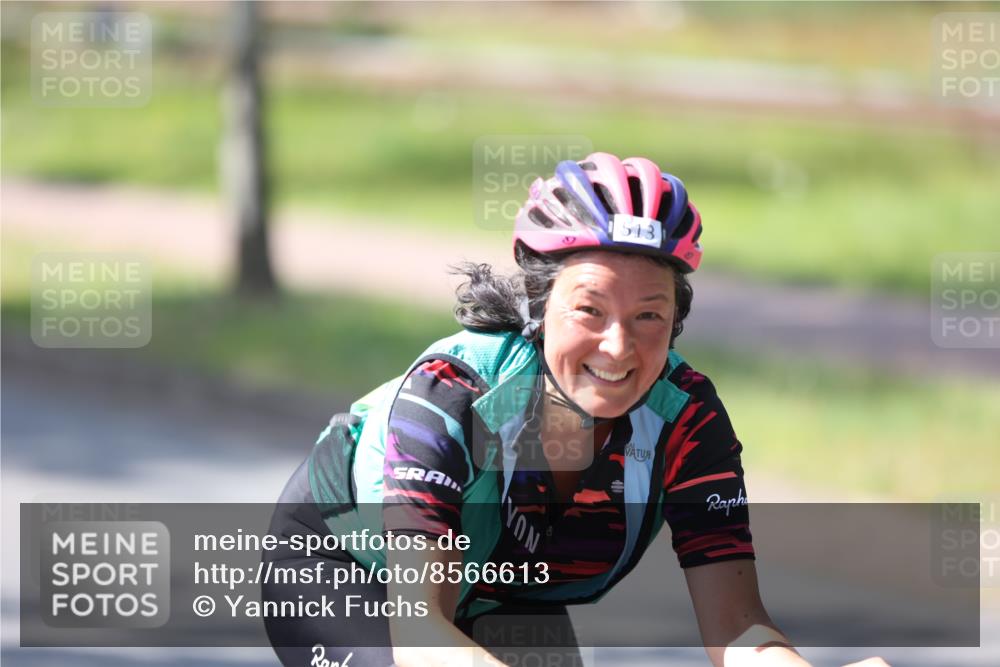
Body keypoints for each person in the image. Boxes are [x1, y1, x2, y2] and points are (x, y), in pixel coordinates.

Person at [262, 152, 890, 667]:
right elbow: (422, 633)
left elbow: (739, 630)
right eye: (589, 310)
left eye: (649, 315)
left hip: (501, 586)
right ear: (538, 307)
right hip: (344, 569)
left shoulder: (687, 418)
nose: (618, 347)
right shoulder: (453, 394)